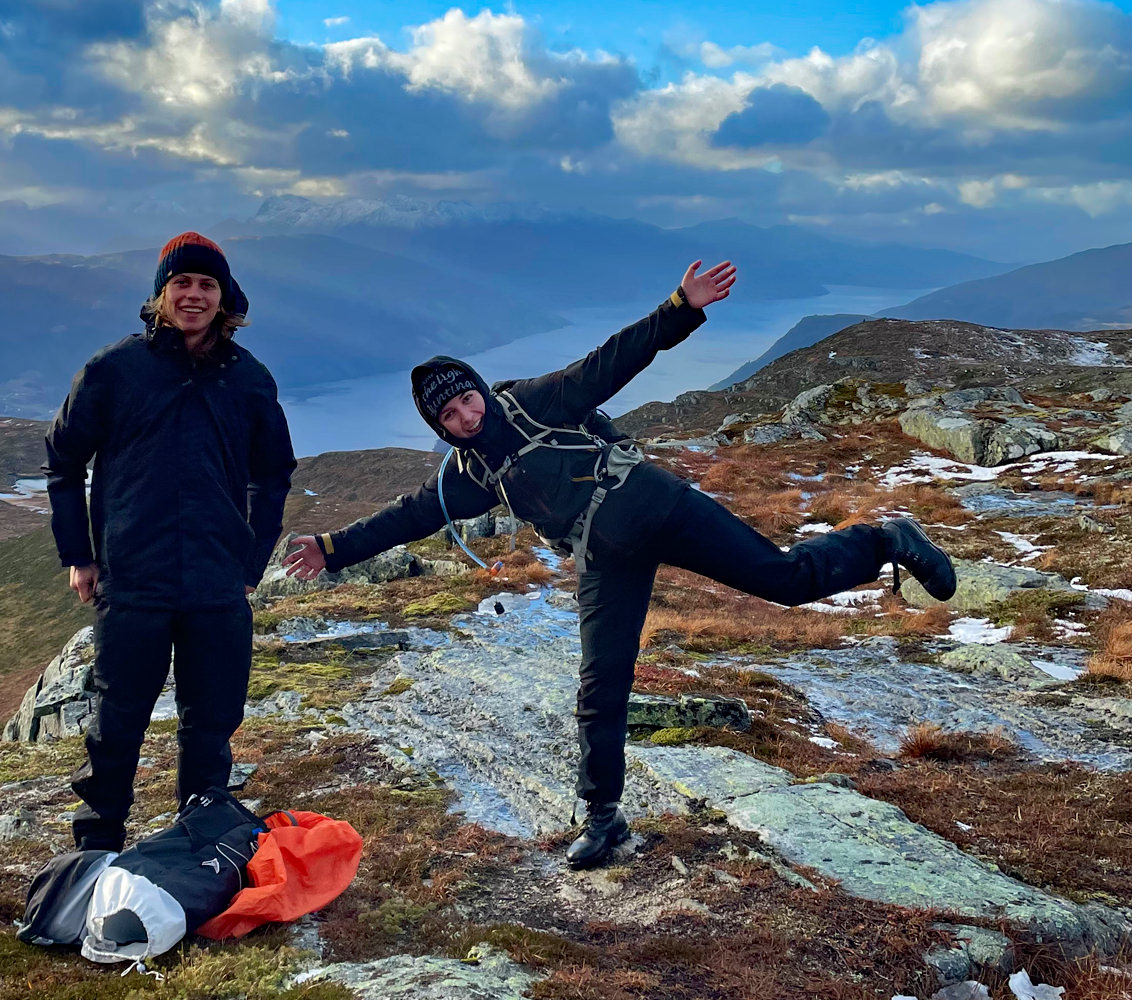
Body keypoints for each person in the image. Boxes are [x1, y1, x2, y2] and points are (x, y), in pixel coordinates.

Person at [283, 259, 956, 870]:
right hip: (606, 559)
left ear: (479, 389)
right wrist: (333, 548)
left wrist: (681, 308)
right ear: (439, 426)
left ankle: (886, 539)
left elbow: (610, 362)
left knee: (785, 580)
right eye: (449, 413)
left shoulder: (536, 402)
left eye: (467, 398)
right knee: (600, 689)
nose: (465, 413)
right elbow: (407, 517)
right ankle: (603, 818)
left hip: (660, 507)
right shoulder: (467, 475)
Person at [44, 232, 296, 852]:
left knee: (212, 722)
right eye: (181, 282)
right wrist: (79, 555)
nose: (194, 295)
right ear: (161, 293)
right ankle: (97, 846)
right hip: (134, 574)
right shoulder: (114, 371)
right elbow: (63, 460)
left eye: (207, 285)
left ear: (223, 297)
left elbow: (273, 474)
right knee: (117, 720)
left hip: (216, 578)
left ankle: (200, 842)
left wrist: (251, 560)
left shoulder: (248, 378)